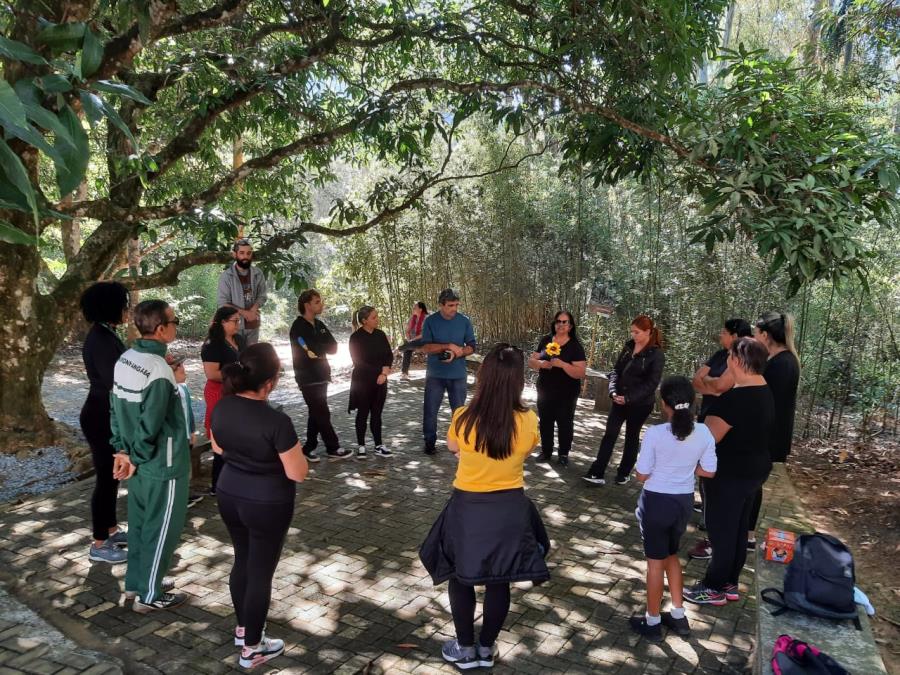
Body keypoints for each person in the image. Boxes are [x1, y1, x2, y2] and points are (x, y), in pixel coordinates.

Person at [419, 344, 549, 670]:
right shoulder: (529, 420)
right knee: (498, 580)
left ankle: (464, 648)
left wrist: (467, 452)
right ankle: (486, 648)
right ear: (517, 380)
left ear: (485, 376)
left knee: (460, 577)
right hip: (509, 510)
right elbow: (526, 451)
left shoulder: (463, 417)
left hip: (468, 509)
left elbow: (451, 447)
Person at [210, 343, 308, 670]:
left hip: (229, 491)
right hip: (267, 502)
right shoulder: (276, 421)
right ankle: (253, 648)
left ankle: (243, 629)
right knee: (260, 571)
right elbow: (297, 472)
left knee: (243, 558)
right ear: (270, 382)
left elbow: (218, 447)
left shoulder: (223, 406)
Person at [110, 300, 190, 612]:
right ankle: (150, 594)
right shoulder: (158, 370)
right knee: (163, 529)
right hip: (163, 463)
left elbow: (114, 408)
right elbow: (152, 421)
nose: (175, 325)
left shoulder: (126, 359)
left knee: (142, 525)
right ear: (160, 330)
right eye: (174, 321)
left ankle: (138, 583)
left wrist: (123, 451)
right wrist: (175, 383)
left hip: (136, 461)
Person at [683, 337, 774, 606]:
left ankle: (713, 588)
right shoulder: (765, 391)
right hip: (754, 472)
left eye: (728, 358)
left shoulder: (734, 399)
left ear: (735, 361)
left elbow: (708, 439)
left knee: (722, 531)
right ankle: (730, 583)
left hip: (729, 475)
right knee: (738, 529)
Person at [630, 376, 717, 641]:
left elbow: (642, 475)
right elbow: (709, 471)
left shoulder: (656, 434)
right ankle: (678, 616)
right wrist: (687, 469)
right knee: (671, 555)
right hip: (682, 503)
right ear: (692, 402)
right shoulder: (703, 431)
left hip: (656, 502)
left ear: (664, 404)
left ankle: (653, 621)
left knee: (655, 564)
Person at [688, 318, 752, 561]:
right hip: (707, 417)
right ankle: (708, 518)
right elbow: (698, 379)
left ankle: (714, 537)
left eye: (724, 332)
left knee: (715, 474)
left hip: (724, 425)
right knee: (704, 475)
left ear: (735, 336)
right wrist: (712, 386)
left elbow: (723, 386)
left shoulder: (743, 358)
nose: (720, 335)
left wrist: (712, 385)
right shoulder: (719, 354)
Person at [80, 282, 130, 564]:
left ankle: (110, 529)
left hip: (103, 411)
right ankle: (99, 543)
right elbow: (115, 381)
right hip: (100, 415)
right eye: (124, 304)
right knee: (106, 478)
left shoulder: (106, 333)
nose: (127, 309)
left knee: (111, 477)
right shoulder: (100, 338)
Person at [584, 315, 665, 486]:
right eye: (632, 332)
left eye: (637, 332)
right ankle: (597, 471)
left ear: (648, 332)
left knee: (631, 436)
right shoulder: (629, 346)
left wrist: (629, 398)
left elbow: (652, 384)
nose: (633, 335)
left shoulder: (656, 354)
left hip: (640, 404)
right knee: (610, 434)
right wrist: (613, 391)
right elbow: (616, 370)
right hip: (618, 399)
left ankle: (624, 472)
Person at [747, 312, 800, 548]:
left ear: (765, 335)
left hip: (766, 438)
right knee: (751, 485)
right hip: (765, 436)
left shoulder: (782, 364)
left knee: (751, 485)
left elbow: (766, 403)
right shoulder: (779, 360)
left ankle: (746, 534)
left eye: (756, 333)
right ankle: (746, 533)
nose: (754, 337)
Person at [289, 289, 351, 461]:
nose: (321, 304)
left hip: (322, 374)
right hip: (307, 377)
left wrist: (318, 347)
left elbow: (334, 347)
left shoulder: (319, 325)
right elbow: (311, 350)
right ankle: (333, 447)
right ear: (307, 305)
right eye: (317, 301)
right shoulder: (298, 327)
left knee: (316, 412)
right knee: (321, 412)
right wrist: (319, 347)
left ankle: (308, 448)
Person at [420, 289, 477, 455]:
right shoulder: (430, 321)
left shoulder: (464, 321)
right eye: (451, 305)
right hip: (435, 375)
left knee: (459, 413)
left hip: (458, 375)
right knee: (430, 410)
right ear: (441, 305)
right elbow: (426, 347)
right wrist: (447, 346)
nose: (454, 308)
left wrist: (459, 352)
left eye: (456, 305)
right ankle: (429, 443)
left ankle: (459, 444)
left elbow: (472, 346)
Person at [528, 310, 587, 467]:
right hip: (545, 389)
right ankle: (546, 451)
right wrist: (540, 364)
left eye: (564, 322)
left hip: (567, 392)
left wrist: (563, 365)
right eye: (558, 321)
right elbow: (532, 360)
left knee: (565, 422)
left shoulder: (575, 346)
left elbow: (581, 372)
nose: (561, 325)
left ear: (570, 326)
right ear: (554, 324)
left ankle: (563, 453)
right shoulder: (546, 341)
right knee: (546, 420)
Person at [201, 306, 244, 494]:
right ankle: (218, 484)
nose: (238, 324)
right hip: (219, 392)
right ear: (223, 322)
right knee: (221, 437)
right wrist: (236, 375)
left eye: (239, 320)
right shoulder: (213, 344)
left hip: (237, 391)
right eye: (234, 320)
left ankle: (236, 477)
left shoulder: (239, 339)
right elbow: (211, 373)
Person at [348, 306, 394, 459]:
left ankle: (378, 445)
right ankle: (361, 446)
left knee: (377, 413)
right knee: (362, 413)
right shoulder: (355, 338)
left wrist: (385, 372)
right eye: (374, 317)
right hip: (362, 381)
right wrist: (378, 373)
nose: (377, 319)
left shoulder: (380, 335)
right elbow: (358, 362)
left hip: (381, 381)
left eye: (377, 316)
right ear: (364, 321)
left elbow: (388, 355)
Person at [217, 238, 267, 347]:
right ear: (235, 254)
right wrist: (245, 313)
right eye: (242, 253)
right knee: (236, 359)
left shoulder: (258, 274)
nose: (245, 257)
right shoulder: (226, 276)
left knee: (251, 359)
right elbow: (223, 303)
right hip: (234, 327)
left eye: (249, 253)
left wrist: (253, 310)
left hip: (253, 325)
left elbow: (262, 296)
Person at [400, 302, 428, 376]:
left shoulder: (426, 318)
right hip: (412, 341)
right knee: (407, 348)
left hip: (423, 340)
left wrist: (412, 340)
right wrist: (409, 339)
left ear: (420, 309)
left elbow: (424, 334)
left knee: (407, 346)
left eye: (415, 308)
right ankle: (404, 372)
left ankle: (399, 349)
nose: (413, 309)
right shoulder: (412, 318)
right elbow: (407, 331)